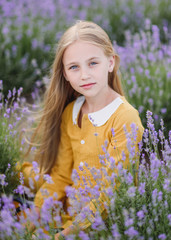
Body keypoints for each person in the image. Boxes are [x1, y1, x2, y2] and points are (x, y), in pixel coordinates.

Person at [21, 20, 144, 239]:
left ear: (110, 62)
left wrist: (66, 234)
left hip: (105, 224)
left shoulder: (124, 118)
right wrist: (37, 213)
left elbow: (111, 193)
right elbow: (61, 174)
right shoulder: (72, 111)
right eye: (74, 67)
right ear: (65, 74)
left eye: (93, 63)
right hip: (66, 215)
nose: (84, 75)